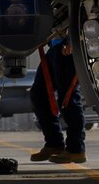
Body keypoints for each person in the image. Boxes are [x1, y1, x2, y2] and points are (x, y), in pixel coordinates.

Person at [30, 30, 85, 163]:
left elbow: (83, 13)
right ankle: (54, 143)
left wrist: (72, 40)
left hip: (69, 49)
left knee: (68, 99)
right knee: (38, 94)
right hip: (54, 48)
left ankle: (76, 149)